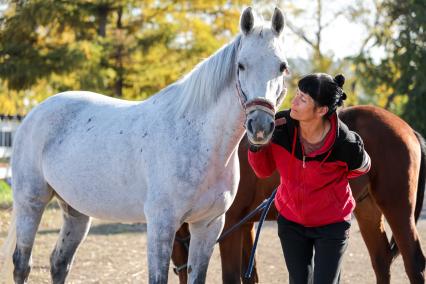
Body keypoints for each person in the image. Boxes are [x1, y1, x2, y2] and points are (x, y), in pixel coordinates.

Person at [248, 73, 371, 284]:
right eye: (297, 94)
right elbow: (264, 171)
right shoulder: (280, 127)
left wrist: (329, 187)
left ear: (322, 110)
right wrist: (256, 145)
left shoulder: (346, 143)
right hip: (291, 222)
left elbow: (362, 168)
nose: (294, 101)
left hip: (332, 225)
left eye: (303, 99)